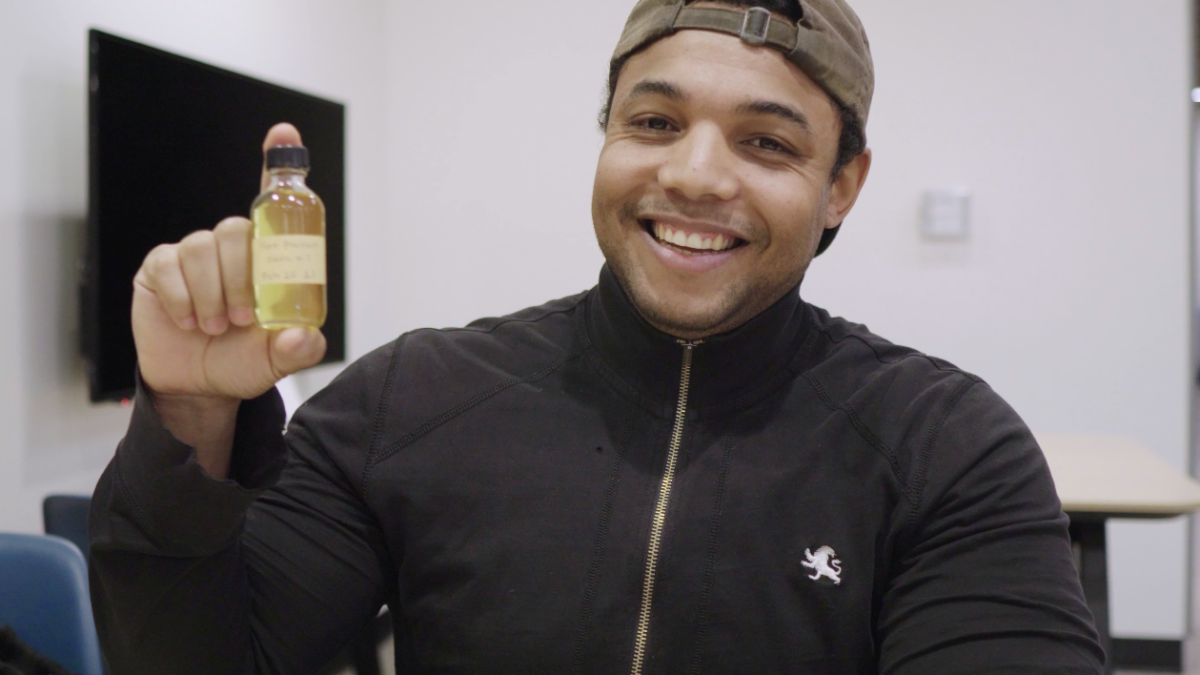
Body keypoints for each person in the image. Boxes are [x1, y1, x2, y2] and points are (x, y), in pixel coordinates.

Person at [89, 0, 1106, 673]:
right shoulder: (411, 400)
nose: (697, 176)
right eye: (655, 124)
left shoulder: (946, 446)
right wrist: (188, 419)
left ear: (842, 185)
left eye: (766, 142)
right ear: (608, 135)